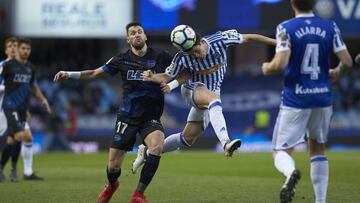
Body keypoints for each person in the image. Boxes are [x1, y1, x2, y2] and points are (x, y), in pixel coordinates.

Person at [53, 22, 174, 203]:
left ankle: (138, 194)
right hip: (127, 116)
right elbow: (94, 73)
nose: (137, 35)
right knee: (113, 166)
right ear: (128, 39)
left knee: (156, 147)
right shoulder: (120, 59)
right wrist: (69, 74)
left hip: (151, 116)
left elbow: (178, 71)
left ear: (145, 36)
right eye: (132, 33)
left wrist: (170, 83)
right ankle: (112, 184)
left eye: (139, 32)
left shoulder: (161, 56)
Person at [132, 27, 277, 173]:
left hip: (212, 93)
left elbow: (250, 37)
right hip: (192, 90)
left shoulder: (220, 40)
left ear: (200, 41)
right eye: (191, 54)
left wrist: (277, 42)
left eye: (196, 50)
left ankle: (147, 153)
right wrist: (152, 77)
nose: (196, 55)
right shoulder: (182, 57)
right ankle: (225, 142)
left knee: (186, 139)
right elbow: (166, 76)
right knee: (214, 100)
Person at [261, 0, 353, 202]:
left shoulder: (286, 27)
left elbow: (280, 64)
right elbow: (347, 61)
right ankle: (320, 200)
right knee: (317, 147)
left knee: (280, 151)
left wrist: (267, 67)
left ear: (292, 3)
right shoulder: (330, 26)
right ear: (314, 3)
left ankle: (290, 173)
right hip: (323, 97)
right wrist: (337, 72)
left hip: (296, 98)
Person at [0, 37, 48, 182]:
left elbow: (26, 88)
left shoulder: (26, 67)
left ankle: (25, 172)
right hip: (4, 108)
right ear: (6, 49)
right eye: (11, 46)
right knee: (16, 137)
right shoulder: (4, 65)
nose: (13, 48)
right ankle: (9, 169)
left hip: (18, 107)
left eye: (16, 45)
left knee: (24, 136)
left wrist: (25, 108)